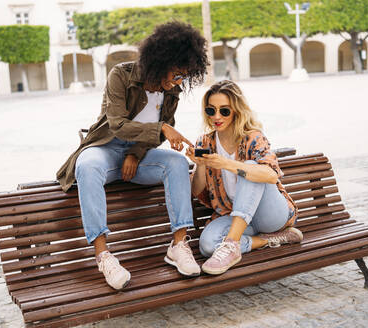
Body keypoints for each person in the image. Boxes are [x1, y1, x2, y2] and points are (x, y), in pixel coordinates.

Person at [56, 22, 208, 289]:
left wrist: (136, 155)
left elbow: (159, 136)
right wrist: (160, 127)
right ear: (160, 61)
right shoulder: (121, 75)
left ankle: (178, 245)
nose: (177, 82)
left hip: (138, 157)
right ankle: (104, 256)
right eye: (176, 74)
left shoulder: (172, 90)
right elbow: (117, 123)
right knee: (87, 165)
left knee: (176, 162)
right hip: (105, 148)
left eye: (183, 76)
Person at [185, 80, 303, 275]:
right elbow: (197, 190)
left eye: (224, 111)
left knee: (250, 168)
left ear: (237, 110)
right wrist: (201, 164)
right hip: (235, 215)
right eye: (210, 110)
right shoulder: (204, 141)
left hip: (269, 215)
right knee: (207, 245)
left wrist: (225, 163)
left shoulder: (252, 137)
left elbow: (271, 175)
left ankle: (232, 245)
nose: (216, 116)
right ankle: (270, 240)